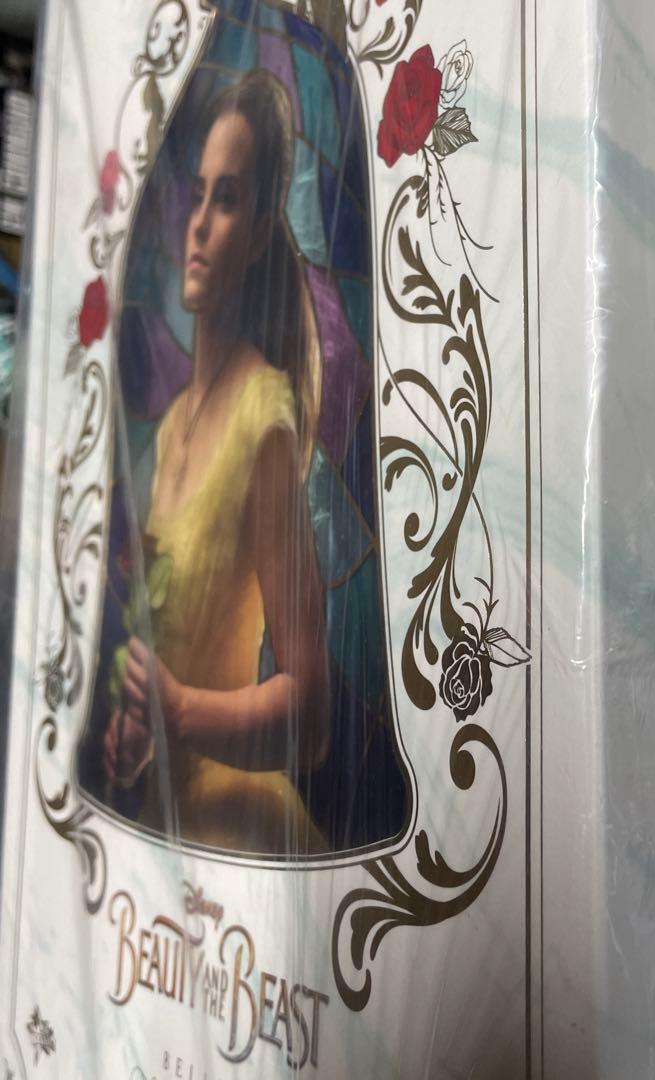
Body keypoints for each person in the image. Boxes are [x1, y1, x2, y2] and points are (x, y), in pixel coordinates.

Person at [103, 70, 330, 855]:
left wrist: (180, 713)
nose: (199, 224)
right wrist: (141, 732)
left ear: (261, 232)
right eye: (197, 194)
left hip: (240, 837)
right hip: (164, 834)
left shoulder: (263, 418)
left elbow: (312, 720)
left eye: (226, 200)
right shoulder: (172, 427)